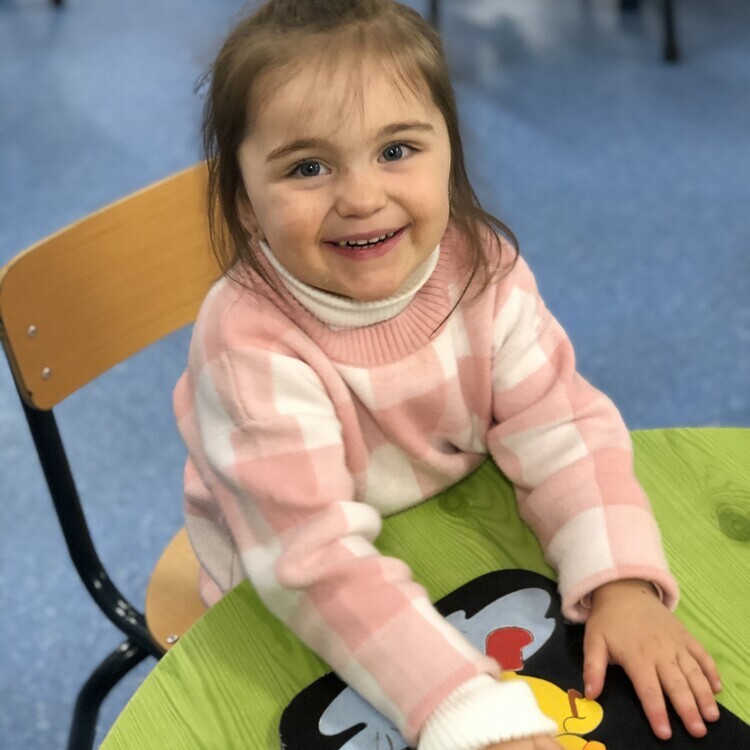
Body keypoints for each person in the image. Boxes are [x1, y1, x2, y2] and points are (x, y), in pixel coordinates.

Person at [174, 2, 722, 748]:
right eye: (308, 167)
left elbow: (561, 425)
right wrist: (460, 706)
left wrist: (621, 581)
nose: (362, 198)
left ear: (449, 154)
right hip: (288, 600)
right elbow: (311, 562)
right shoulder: (247, 344)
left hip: (458, 534)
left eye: (396, 150)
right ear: (245, 204)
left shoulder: (482, 268)